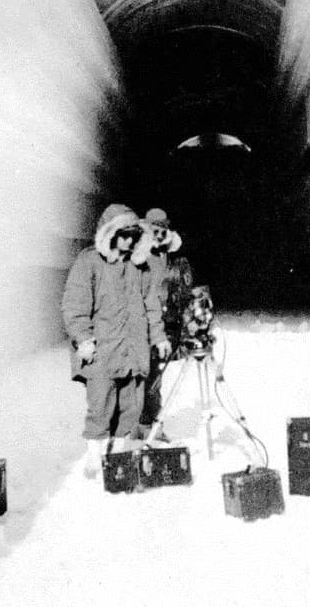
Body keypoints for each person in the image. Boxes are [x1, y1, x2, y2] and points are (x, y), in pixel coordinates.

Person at [61, 203, 171, 478]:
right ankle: (94, 457)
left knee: (131, 407)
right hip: (102, 352)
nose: (129, 240)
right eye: (124, 234)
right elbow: (74, 306)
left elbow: (151, 305)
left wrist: (158, 337)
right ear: (110, 234)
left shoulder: (141, 267)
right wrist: (83, 338)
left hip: (134, 350)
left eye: (134, 234)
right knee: (100, 407)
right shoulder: (89, 262)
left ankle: (121, 457)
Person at [137, 207, 184, 440]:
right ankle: (141, 425)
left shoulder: (168, 254)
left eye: (163, 229)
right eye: (154, 229)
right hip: (141, 322)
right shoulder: (140, 254)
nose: (158, 234)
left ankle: (151, 425)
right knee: (142, 377)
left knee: (155, 377)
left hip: (160, 321)